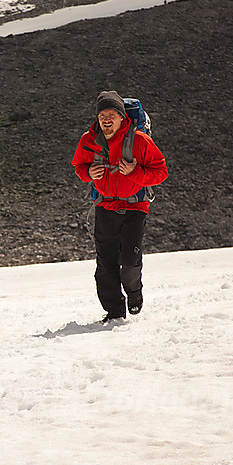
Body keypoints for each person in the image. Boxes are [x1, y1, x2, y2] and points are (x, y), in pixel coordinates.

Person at [72, 91, 168, 322]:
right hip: (105, 206)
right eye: (103, 114)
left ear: (122, 117)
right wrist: (87, 173)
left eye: (112, 114)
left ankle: (134, 293)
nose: (106, 119)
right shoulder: (89, 139)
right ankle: (114, 312)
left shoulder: (140, 140)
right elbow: (78, 166)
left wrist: (135, 172)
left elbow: (161, 172)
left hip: (135, 208)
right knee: (105, 265)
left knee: (130, 262)